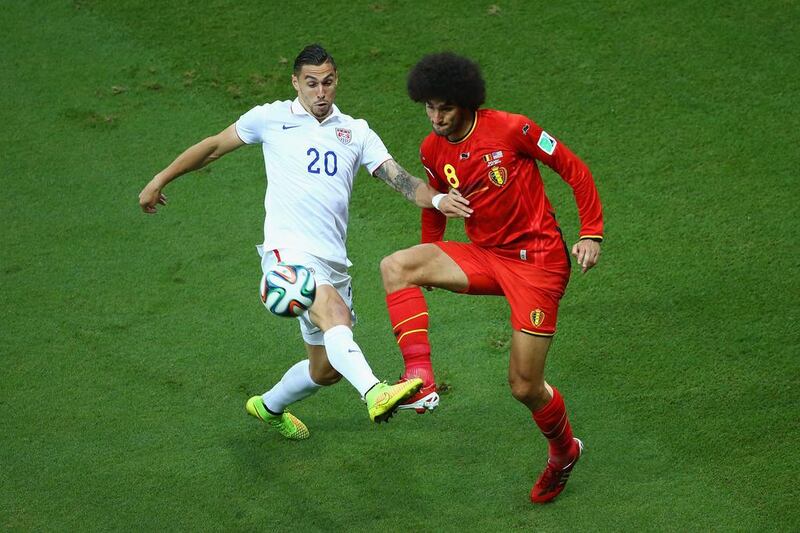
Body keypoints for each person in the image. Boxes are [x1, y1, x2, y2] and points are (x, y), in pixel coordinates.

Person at [138, 44, 471, 440]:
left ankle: (269, 406)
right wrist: (160, 179)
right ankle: (375, 391)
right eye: (311, 83)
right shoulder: (270, 118)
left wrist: (436, 199)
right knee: (333, 313)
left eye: (328, 83)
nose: (320, 92)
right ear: (295, 82)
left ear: (337, 82)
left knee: (325, 370)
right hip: (288, 255)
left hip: (333, 262)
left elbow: (400, 178)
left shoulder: (356, 132)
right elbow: (212, 148)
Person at [380, 52, 603, 503]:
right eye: (429, 107)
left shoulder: (512, 128)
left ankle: (564, 453)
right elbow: (435, 203)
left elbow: (574, 170)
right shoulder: (431, 149)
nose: (436, 117)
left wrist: (591, 234)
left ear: (465, 102)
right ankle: (419, 378)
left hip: (539, 263)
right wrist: (431, 255)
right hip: (485, 255)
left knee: (524, 385)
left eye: (444, 107)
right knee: (397, 266)